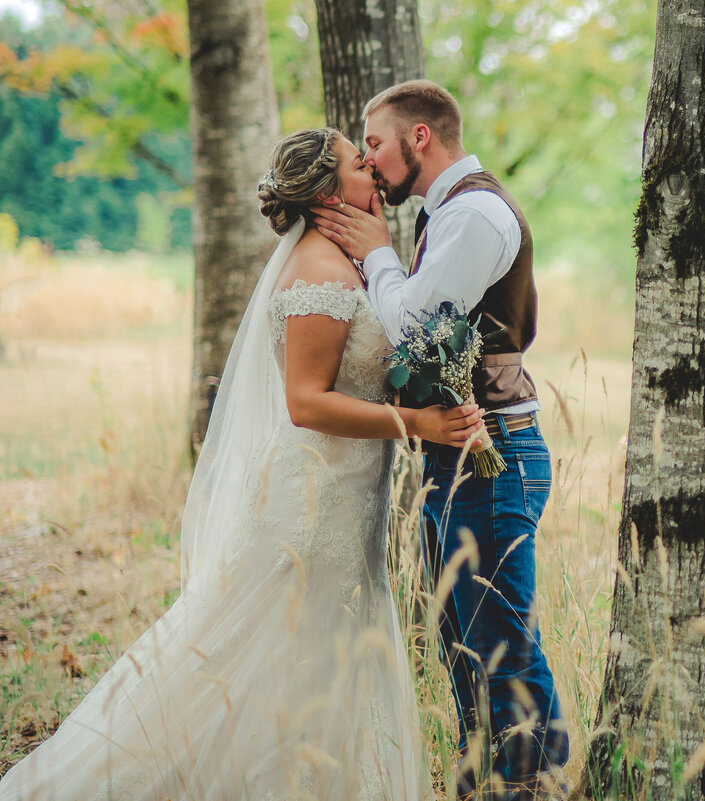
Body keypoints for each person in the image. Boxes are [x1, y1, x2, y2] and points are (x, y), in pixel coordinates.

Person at [0, 128, 484, 801]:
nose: (371, 164)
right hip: (309, 500)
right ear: (325, 191)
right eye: (355, 160)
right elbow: (306, 402)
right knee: (261, 647)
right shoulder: (318, 270)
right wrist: (422, 422)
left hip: (346, 494)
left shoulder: (351, 258)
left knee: (315, 656)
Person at [311, 80, 569, 800]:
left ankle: (531, 787)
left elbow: (419, 332)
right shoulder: (446, 214)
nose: (368, 158)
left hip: (492, 457)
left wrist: (380, 255)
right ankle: (486, 782)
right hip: (454, 455)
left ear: (418, 138)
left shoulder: (477, 214)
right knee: (466, 647)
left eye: (375, 144)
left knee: (501, 644)